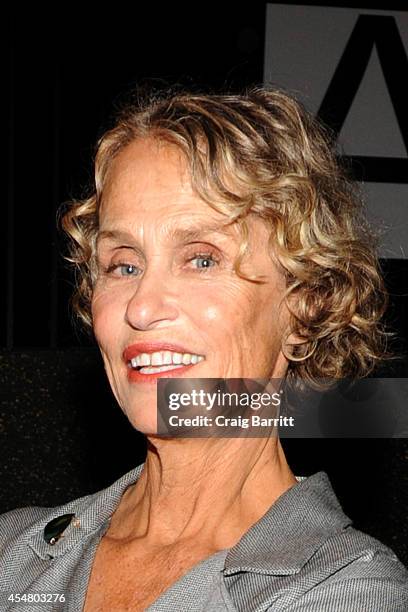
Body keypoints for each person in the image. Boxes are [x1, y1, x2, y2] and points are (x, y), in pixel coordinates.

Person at [1, 86, 407, 611]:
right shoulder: (15, 555)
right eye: (123, 265)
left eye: (201, 259)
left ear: (306, 304)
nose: (141, 308)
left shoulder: (346, 590)